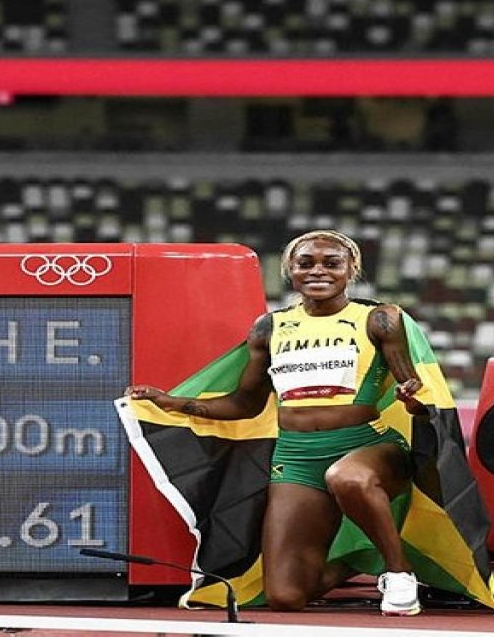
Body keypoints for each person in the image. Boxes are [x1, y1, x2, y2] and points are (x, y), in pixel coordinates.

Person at [125, 229, 429, 616]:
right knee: (285, 596)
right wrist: (172, 403)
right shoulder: (270, 328)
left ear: (351, 268)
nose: (318, 271)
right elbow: (244, 404)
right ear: (290, 270)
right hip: (297, 458)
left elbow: (416, 389)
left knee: (347, 478)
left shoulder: (379, 319)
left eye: (331, 263)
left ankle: (399, 572)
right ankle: (355, 560)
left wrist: (414, 400)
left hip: (367, 446)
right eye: (306, 263)